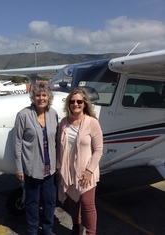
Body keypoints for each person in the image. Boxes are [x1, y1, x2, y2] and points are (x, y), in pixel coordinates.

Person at [57, 87, 103, 235]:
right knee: (73, 201)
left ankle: (91, 232)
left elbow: (98, 150)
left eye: (79, 101)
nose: (75, 104)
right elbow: (59, 145)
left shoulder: (92, 123)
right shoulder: (64, 122)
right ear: (68, 104)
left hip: (86, 171)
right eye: (72, 101)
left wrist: (89, 171)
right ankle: (77, 227)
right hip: (68, 170)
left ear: (84, 104)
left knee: (87, 204)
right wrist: (59, 165)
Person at [13, 83, 58, 235]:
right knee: (32, 202)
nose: (41, 98)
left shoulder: (53, 114)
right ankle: (32, 230)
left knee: (50, 201)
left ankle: (47, 229)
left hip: (50, 167)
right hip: (32, 168)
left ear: (48, 97)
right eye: (38, 95)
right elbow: (17, 142)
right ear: (33, 97)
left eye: (44, 95)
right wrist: (19, 168)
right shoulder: (23, 115)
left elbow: (56, 141)